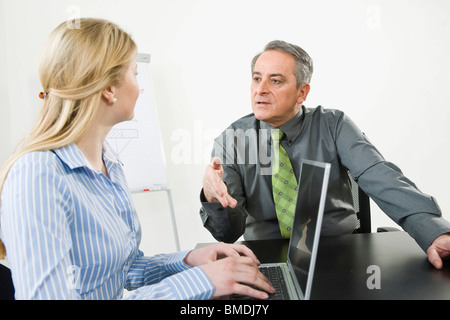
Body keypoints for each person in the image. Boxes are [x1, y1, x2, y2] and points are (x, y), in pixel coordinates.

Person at [0, 18, 275, 300]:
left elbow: (125, 270)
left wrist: (190, 261)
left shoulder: (109, 163)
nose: (139, 87)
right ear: (109, 88)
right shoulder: (37, 175)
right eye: (134, 74)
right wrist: (201, 282)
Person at [200, 40, 450, 269]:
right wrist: (212, 198)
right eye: (256, 79)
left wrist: (433, 232)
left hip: (339, 251)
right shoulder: (232, 140)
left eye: (275, 81)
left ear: (302, 92)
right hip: (265, 257)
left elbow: (382, 178)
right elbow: (227, 234)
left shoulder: (334, 125)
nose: (261, 90)